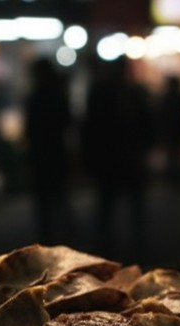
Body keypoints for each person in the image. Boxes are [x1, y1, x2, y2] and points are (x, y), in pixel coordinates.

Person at [81, 56, 155, 261]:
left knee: (120, 206)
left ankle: (122, 248)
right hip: (115, 160)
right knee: (112, 206)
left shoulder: (113, 93)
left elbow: (90, 129)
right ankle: (112, 248)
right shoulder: (125, 94)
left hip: (121, 159)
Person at [23, 57, 73, 245]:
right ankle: (63, 238)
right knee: (59, 200)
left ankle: (49, 239)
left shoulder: (37, 97)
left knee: (47, 202)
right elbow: (68, 123)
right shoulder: (57, 96)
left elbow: (30, 129)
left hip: (43, 154)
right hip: (55, 153)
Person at [156, 74, 180, 200]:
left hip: (173, 133)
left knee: (173, 158)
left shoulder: (168, 98)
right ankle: (176, 182)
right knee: (176, 158)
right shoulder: (178, 98)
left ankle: (173, 182)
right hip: (177, 133)